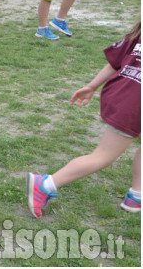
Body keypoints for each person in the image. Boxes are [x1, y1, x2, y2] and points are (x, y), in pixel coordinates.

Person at [27, 21, 141, 217]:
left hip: (125, 94)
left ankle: (137, 194)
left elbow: (114, 62)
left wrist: (92, 86)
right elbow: (116, 61)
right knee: (103, 156)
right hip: (134, 102)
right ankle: (45, 184)